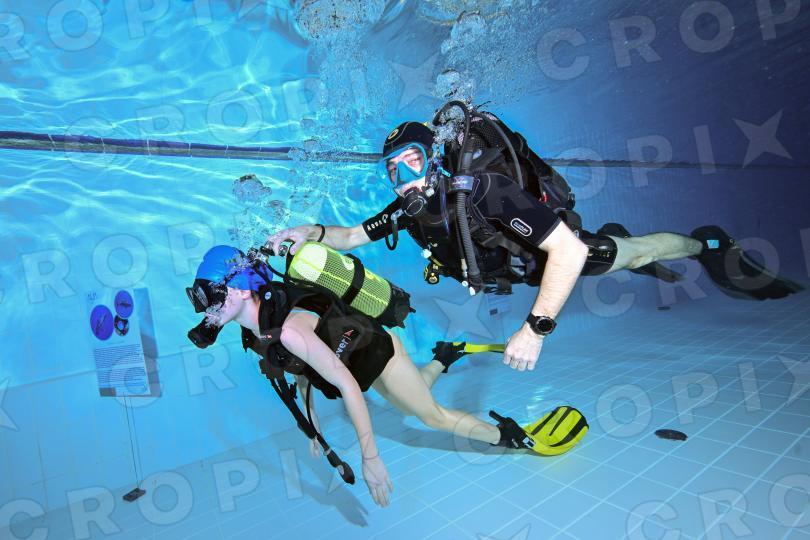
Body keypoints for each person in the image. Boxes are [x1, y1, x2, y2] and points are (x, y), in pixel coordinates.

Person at [267, 110, 803, 372]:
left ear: (434, 160)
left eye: (412, 162)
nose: (402, 178)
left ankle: (707, 244)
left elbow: (567, 252)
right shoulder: (410, 210)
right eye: (392, 169)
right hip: (518, 272)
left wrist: (535, 330)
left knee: (632, 254)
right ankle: (634, 240)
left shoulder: (483, 191)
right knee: (618, 251)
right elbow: (351, 235)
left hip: (554, 258)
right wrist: (308, 233)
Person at [185, 245, 588, 507]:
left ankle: (511, 437)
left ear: (241, 289)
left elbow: (344, 384)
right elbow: (300, 367)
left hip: (377, 355)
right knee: (408, 401)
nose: (206, 307)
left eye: (211, 293)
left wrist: (371, 457)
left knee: (429, 415)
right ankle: (444, 358)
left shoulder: (288, 328)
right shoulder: (258, 329)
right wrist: (313, 426)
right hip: (359, 359)